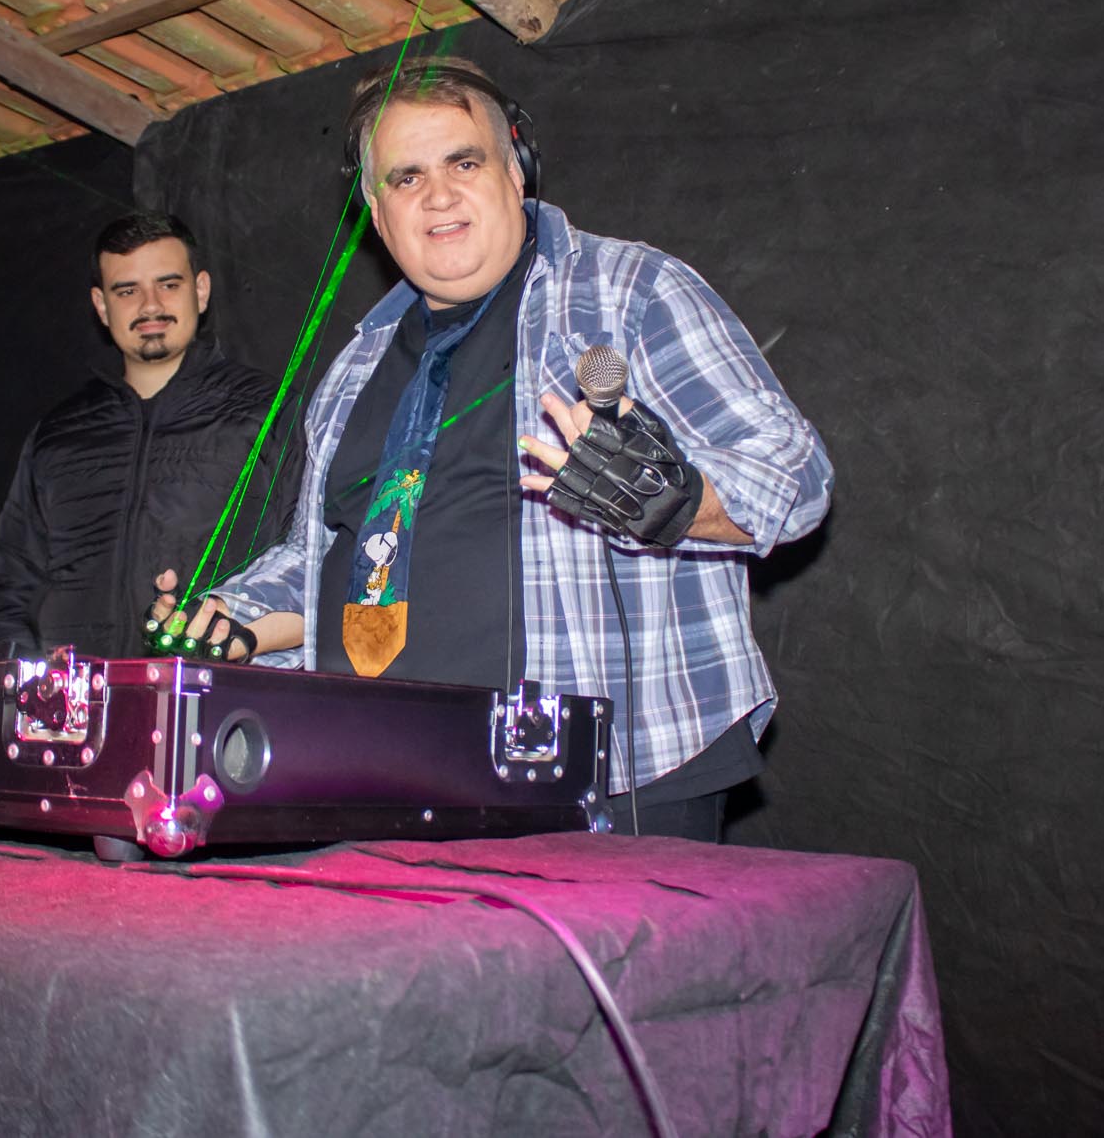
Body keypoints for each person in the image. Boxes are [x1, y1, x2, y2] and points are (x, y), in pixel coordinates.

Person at [151, 59, 832, 841]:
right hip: (378, 779)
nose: (438, 195)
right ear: (376, 211)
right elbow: (329, 557)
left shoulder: (628, 292)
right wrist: (232, 617)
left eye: (464, 163)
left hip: (610, 781)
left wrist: (672, 499)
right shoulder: (355, 367)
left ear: (517, 170)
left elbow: (796, 476)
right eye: (406, 177)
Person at [0, 211, 282, 656]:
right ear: (102, 306)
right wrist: (25, 678)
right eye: (127, 291)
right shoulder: (60, 433)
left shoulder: (267, 410)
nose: (150, 305)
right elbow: (11, 582)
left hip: (213, 688)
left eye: (168, 284)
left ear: (200, 291)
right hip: (71, 695)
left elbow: (308, 562)